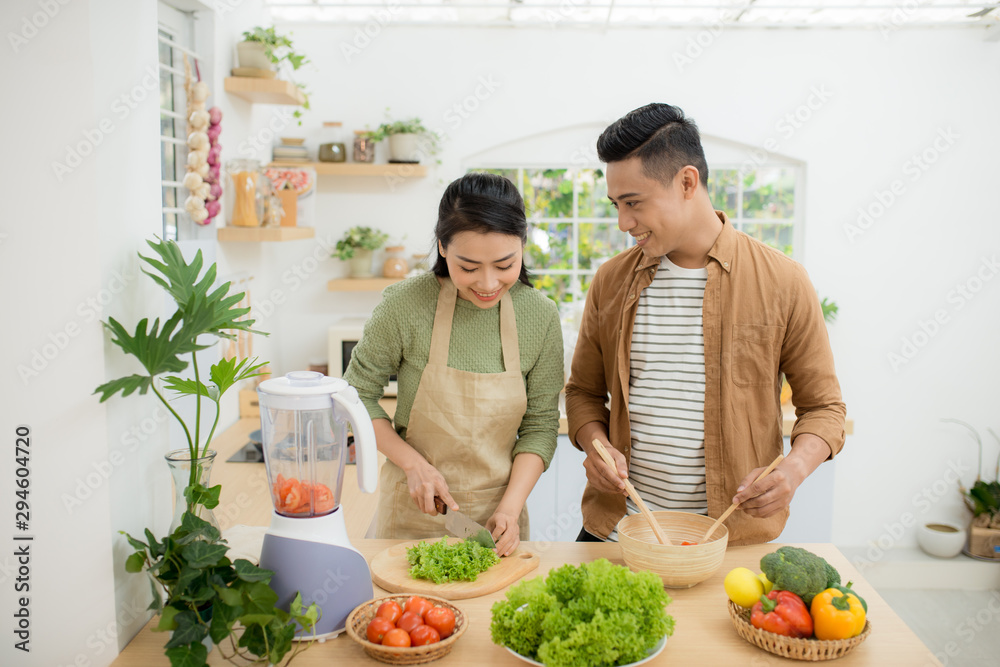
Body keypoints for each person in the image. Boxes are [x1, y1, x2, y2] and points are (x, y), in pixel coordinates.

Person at [565, 103, 846, 546]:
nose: (623, 223)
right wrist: (595, 444)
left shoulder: (783, 281)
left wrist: (792, 470)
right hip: (617, 533)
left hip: (726, 541)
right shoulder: (611, 280)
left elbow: (826, 409)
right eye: (616, 204)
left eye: (634, 202)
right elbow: (582, 392)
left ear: (687, 182)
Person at [344, 172, 564, 556]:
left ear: (523, 246)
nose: (488, 282)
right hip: (412, 514)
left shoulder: (540, 317)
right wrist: (413, 465)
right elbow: (355, 396)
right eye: (469, 267)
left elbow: (540, 426)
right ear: (443, 247)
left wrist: (510, 510)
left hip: (499, 520)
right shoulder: (405, 305)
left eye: (504, 264)